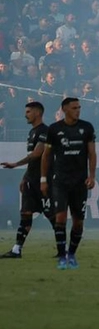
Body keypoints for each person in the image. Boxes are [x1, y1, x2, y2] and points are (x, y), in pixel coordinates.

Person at [41, 97, 97, 270]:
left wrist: (92, 176)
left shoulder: (86, 127)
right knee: (60, 217)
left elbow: (92, 154)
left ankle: (71, 254)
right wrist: (43, 179)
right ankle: (62, 255)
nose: (78, 110)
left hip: (79, 182)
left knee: (78, 222)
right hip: (60, 181)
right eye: (74, 108)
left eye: (79, 107)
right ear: (64, 109)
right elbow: (46, 156)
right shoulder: (54, 129)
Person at [1, 102, 49, 259]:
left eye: (28, 111)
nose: (25, 114)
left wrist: (16, 164)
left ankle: (64, 249)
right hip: (31, 180)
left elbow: (37, 154)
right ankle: (16, 249)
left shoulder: (44, 131)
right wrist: (25, 177)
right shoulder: (32, 132)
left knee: (53, 215)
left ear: (37, 113)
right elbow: (33, 160)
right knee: (26, 213)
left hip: (43, 180)